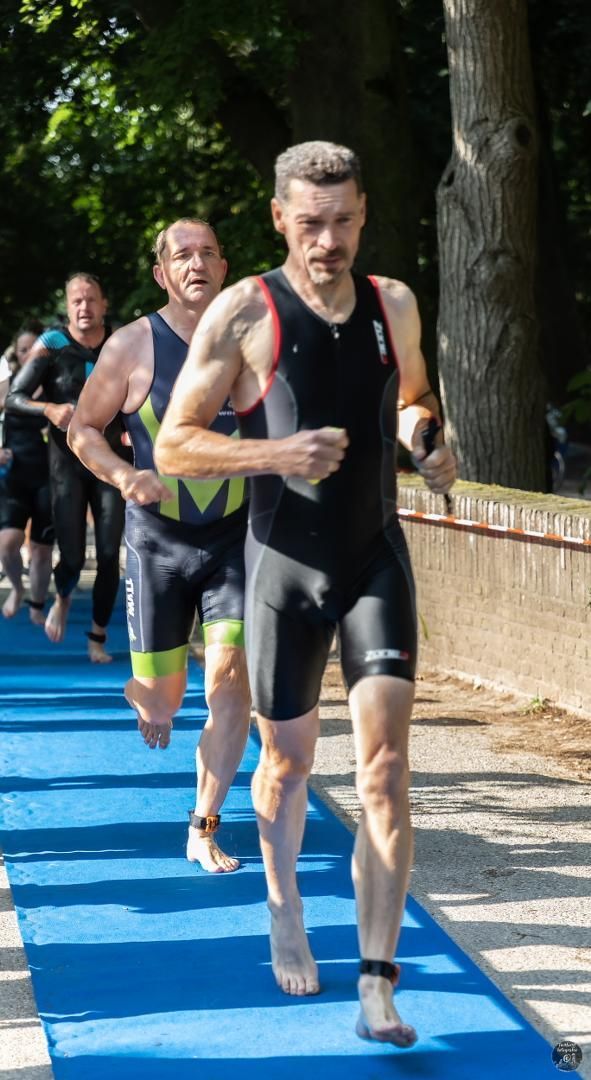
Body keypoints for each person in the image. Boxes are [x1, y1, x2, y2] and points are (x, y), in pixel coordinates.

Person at [154, 143, 456, 1044]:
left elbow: (410, 395)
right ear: (280, 219)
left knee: (388, 773)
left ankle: (376, 980)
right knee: (286, 765)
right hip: (281, 566)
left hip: (373, 558)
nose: (328, 240)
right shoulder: (245, 311)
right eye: (310, 222)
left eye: (344, 221)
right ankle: (283, 903)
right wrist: (273, 454)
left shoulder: (391, 301)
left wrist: (423, 440)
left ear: (363, 214)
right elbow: (174, 444)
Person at [67, 219, 251, 873]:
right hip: (158, 546)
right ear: (161, 274)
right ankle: (151, 695)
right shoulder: (131, 346)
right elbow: (83, 429)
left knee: (230, 681)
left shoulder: (256, 344)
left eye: (207, 252)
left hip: (234, 541)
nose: (195, 263)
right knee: (165, 698)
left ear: (223, 268)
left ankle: (202, 823)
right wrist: (120, 474)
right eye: (182, 255)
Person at [5, 274, 128, 662]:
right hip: (66, 464)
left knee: (109, 554)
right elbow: (14, 398)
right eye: (76, 301)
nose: (84, 308)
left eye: (91, 300)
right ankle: (61, 596)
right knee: (72, 555)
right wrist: (51, 409)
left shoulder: (123, 341)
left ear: (104, 304)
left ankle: (97, 636)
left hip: (111, 463)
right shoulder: (53, 344)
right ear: (67, 306)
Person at [0, 322, 55, 622]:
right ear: (17, 354)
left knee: (42, 550)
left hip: (48, 476)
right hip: (14, 476)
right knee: (7, 543)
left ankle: (36, 603)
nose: (29, 355)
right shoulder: (7, 387)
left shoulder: (55, 386)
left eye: (34, 349)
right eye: (23, 350)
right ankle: (17, 588)